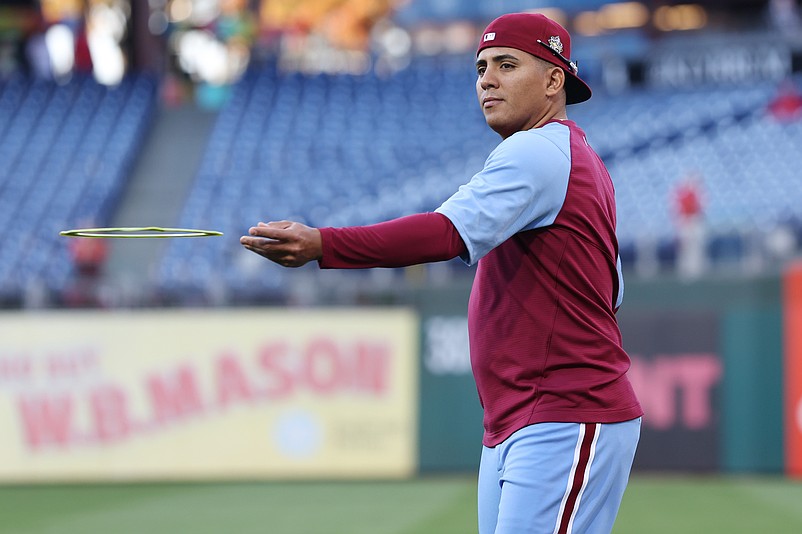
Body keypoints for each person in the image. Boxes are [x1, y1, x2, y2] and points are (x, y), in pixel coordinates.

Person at [241, 13, 642, 534]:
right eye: (480, 69)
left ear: (552, 80)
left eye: (506, 64)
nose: (487, 80)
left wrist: (325, 245)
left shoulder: (538, 152)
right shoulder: (574, 158)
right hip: (523, 417)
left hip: (565, 412)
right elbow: (612, 292)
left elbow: (442, 234)